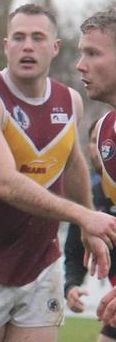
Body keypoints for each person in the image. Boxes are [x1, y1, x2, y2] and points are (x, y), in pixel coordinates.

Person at [0, 3, 116, 342]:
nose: (27, 46)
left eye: (38, 37)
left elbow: (72, 164)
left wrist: (87, 221)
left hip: (41, 264)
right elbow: (5, 184)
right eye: (19, 37)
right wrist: (84, 218)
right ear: (5, 45)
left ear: (54, 47)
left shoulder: (70, 101)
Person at [76, 8, 116, 333]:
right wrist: (89, 219)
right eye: (80, 53)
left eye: (93, 53)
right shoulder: (104, 132)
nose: (80, 65)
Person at [64, 117, 116, 342]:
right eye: (95, 141)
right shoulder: (89, 198)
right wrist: (72, 286)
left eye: (105, 142)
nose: (100, 149)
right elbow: (74, 251)